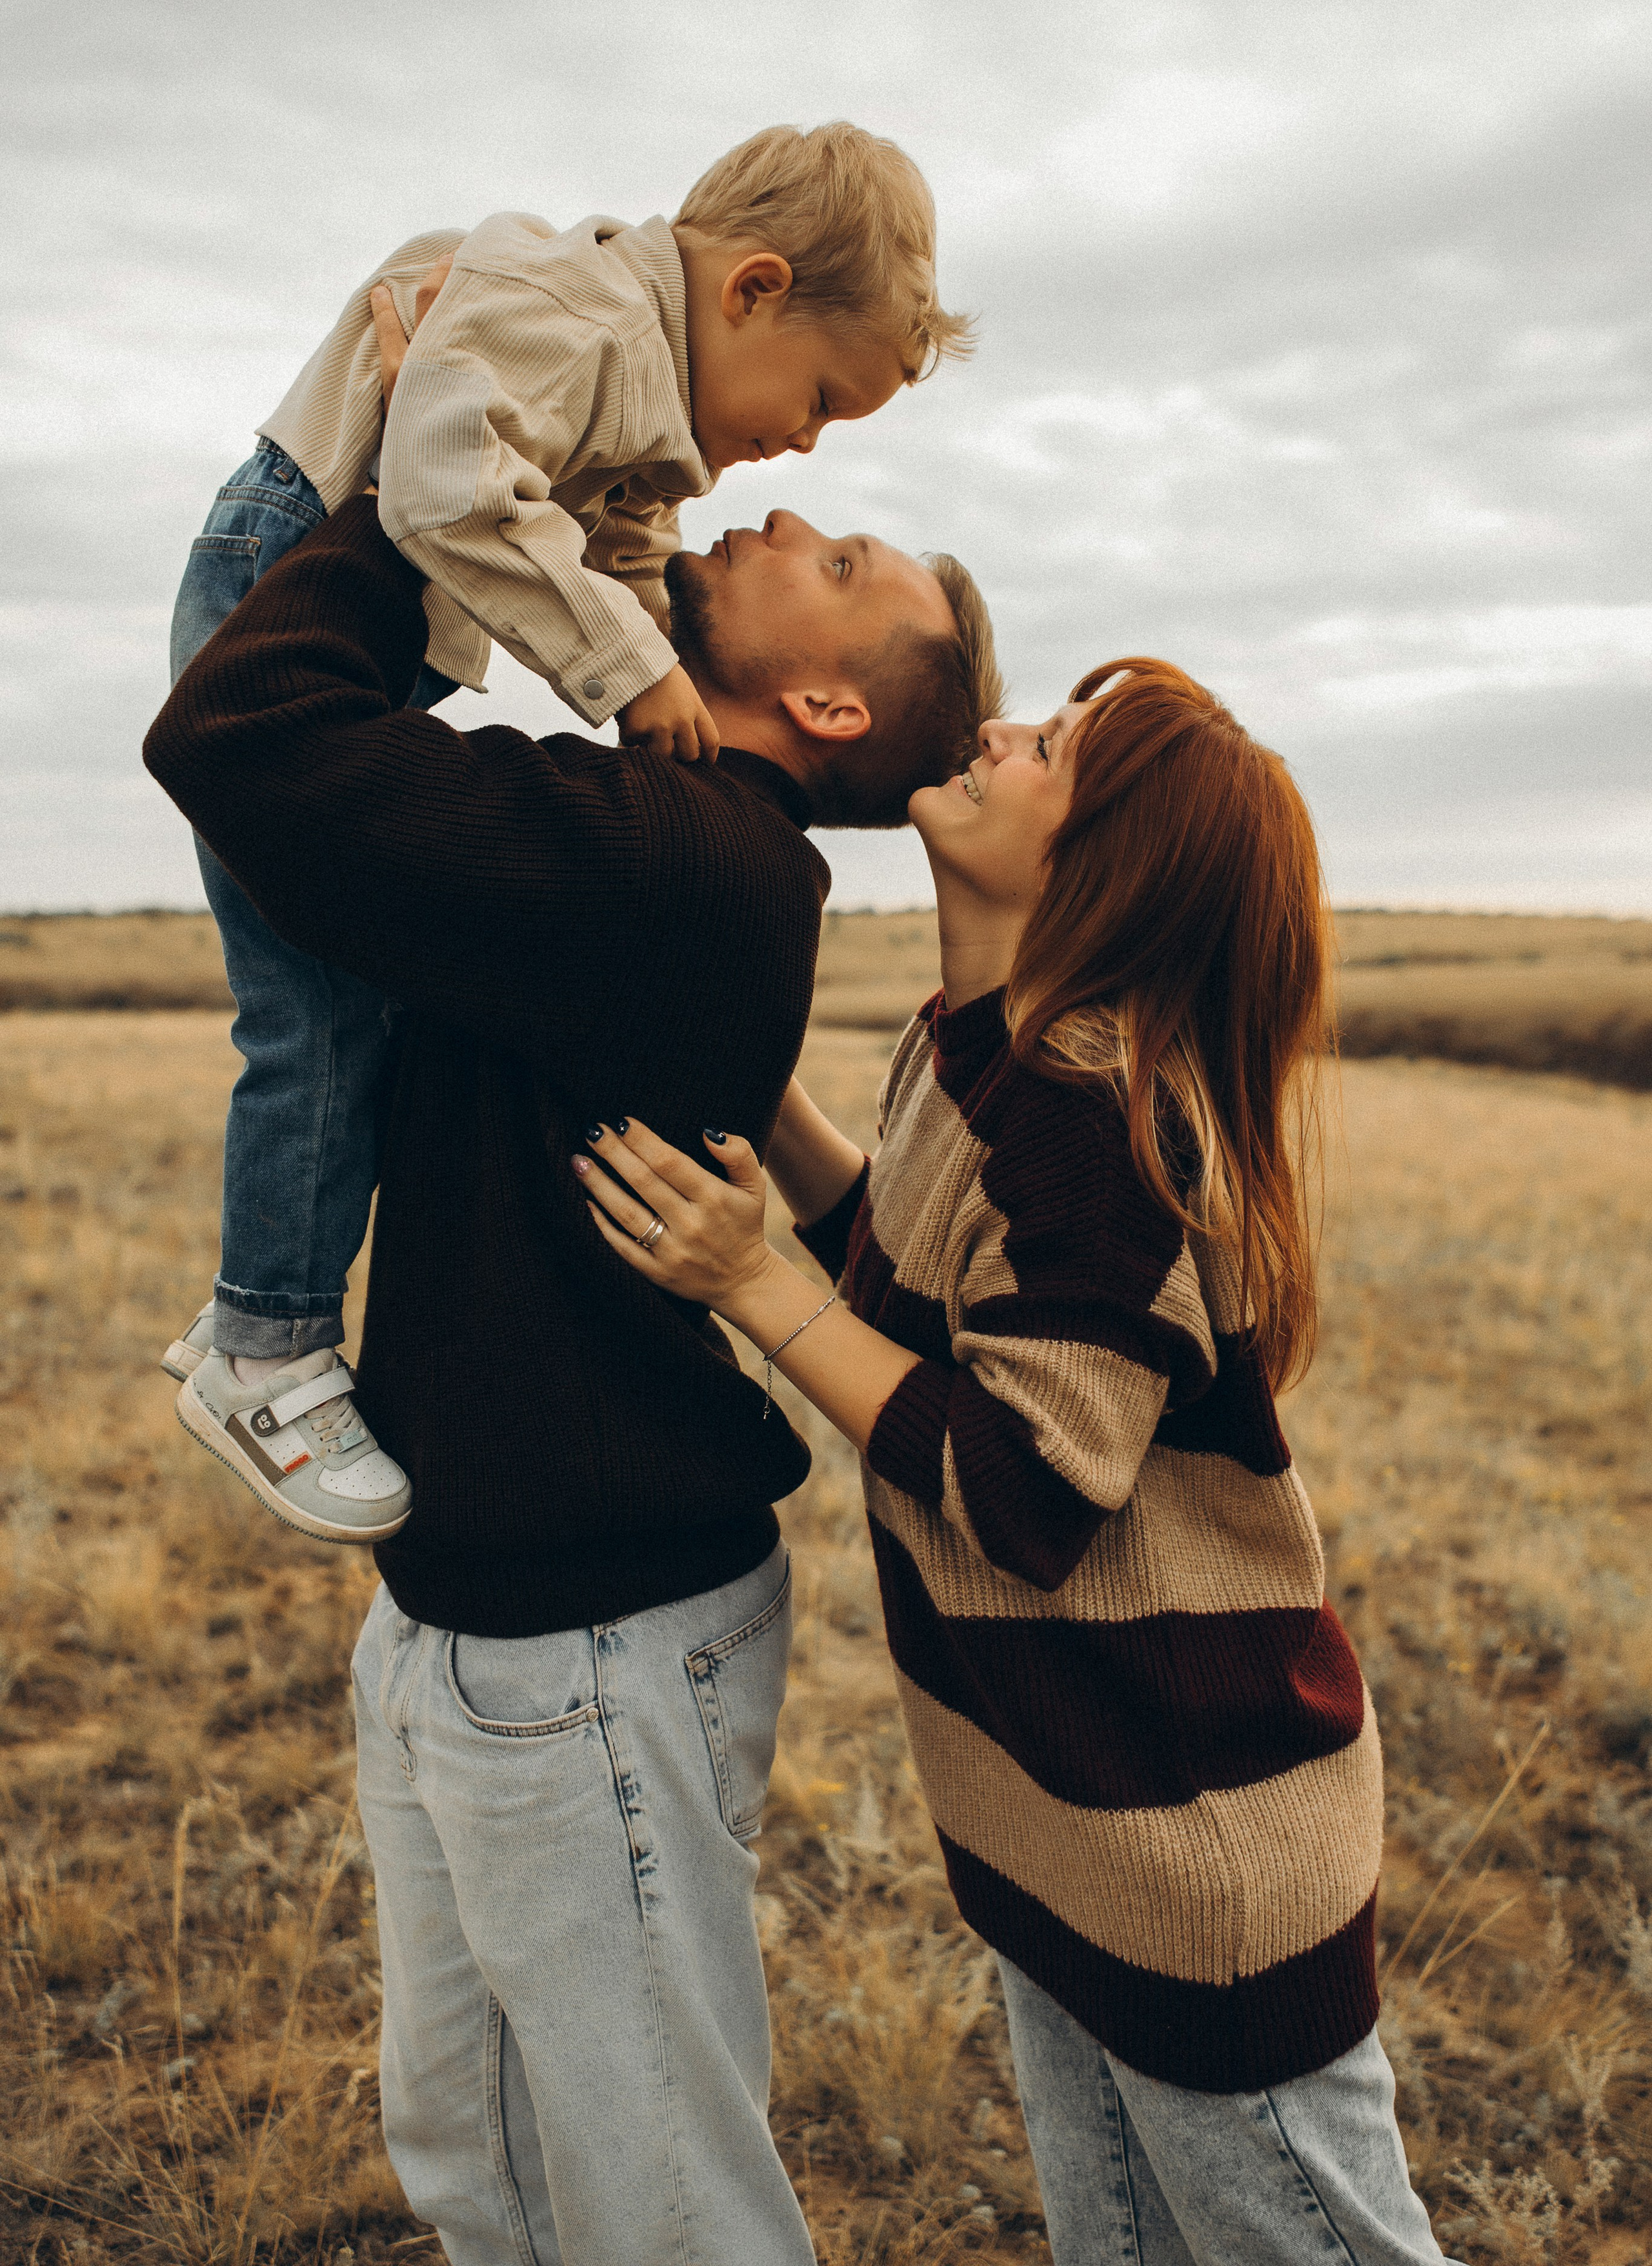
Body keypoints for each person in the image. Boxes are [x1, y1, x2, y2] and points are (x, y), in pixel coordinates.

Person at [143, 476, 1002, 2264]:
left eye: (836, 563)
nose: (778, 513)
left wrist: (427, 473)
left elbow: (242, 730)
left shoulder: (667, 851)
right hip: (479, 1602)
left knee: (658, 2201)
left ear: (829, 704)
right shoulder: (659, 839)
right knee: (486, 2164)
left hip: (591, 1635)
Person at [578, 663, 1460, 2265]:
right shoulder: (969, 1052)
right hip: (1064, 1829)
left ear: (1101, 862)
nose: (994, 731)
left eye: (1048, 747)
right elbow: (918, 1290)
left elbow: (1025, 1494)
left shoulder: (1090, 1120)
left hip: (1194, 1851)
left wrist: (751, 1289)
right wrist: (762, 1095)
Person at [161, 121, 971, 1541]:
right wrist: (634, 674)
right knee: (314, 1017)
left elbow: (618, 564)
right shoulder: (580, 324)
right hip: (278, 570)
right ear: (752, 290)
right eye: (824, 401)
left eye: (836, 545)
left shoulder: (628, 382)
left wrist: (662, 669)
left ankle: (271, 1332)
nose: (797, 453)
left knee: (338, 1008)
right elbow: (452, 489)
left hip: (358, 611)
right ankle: (264, 1338)